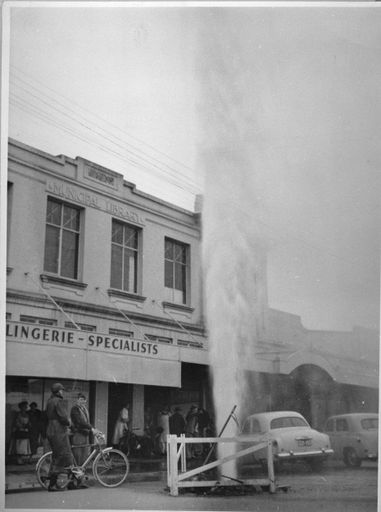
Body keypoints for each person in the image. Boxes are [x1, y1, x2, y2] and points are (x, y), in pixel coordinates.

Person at [45, 383, 74, 492]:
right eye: (61, 390)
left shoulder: (49, 401)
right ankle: (53, 485)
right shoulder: (58, 401)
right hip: (58, 430)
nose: (62, 392)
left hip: (50, 429)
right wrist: (69, 423)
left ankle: (68, 481)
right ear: (58, 391)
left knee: (57, 455)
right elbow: (63, 417)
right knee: (63, 455)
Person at [70, 393, 97, 466]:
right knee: (77, 455)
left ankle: (81, 473)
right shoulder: (74, 409)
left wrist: (92, 429)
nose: (83, 401)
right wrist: (91, 428)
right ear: (77, 400)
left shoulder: (84, 409)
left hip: (85, 434)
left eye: (84, 400)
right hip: (78, 434)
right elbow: (80, 421)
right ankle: (75, 473)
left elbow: (87, 421)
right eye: (81, 399)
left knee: (84, 455)